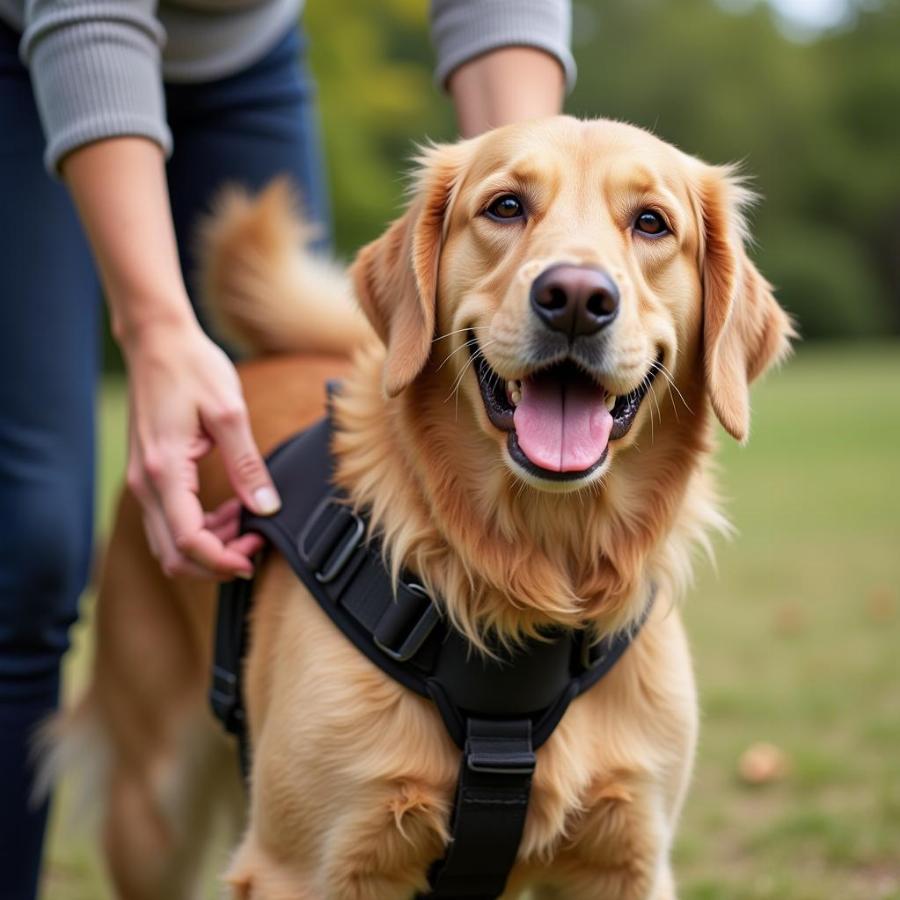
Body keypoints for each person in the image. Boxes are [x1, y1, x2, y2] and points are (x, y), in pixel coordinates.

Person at [0, 0, 574, 896]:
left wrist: (536, 203)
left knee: (328, 495)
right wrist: (155, 329)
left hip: (249, 49)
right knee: (24, 542)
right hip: (35, 45)